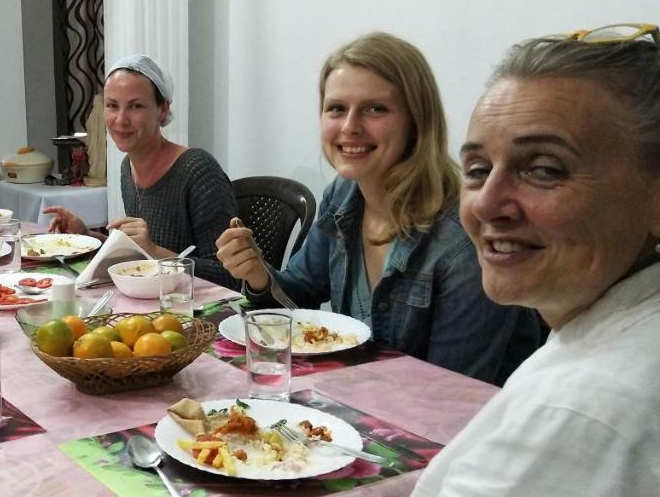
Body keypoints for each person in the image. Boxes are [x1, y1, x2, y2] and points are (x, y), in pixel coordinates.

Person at [355, 26, 660, 497]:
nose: (487, 204)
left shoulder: (581, 414)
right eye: (476, 169)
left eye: (545, 169)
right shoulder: (601, 336)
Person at [216, 32, 540, 383]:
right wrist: (257, 274)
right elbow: (297, 298)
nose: (350, 127)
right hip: (362, 399)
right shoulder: (343, 194)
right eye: (336, 109)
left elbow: (451, 396)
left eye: (375, 109)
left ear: (416, 122)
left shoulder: (463, 239)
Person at [45, 54, 239, 287]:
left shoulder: (198, 171)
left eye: (136, 106)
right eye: (112, 105)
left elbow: (230, 275)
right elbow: (140, 254)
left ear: (163, 110)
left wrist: (155, 251)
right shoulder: (127, 167)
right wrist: (86, 234)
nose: (120, 119)